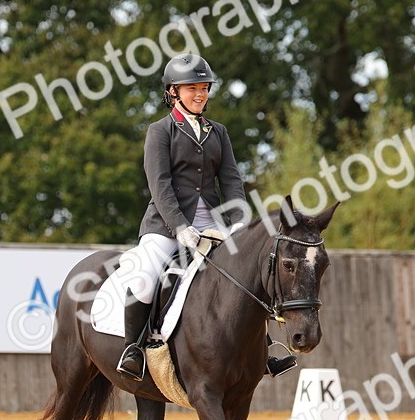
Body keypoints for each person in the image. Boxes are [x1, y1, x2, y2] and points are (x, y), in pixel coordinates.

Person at [114, 53, 297, 381]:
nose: (199, 94)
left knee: (245, 276)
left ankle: (265, 348)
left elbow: (230, 178)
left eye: (204, 88)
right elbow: (160, 185)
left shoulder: (218, 132)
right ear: (173, 91)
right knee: (144, 277)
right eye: (191, 88)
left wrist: (240, 219)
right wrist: (179, 226)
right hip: (166, 226)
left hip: (213, 224)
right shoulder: (160, 131)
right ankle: (134, 350)